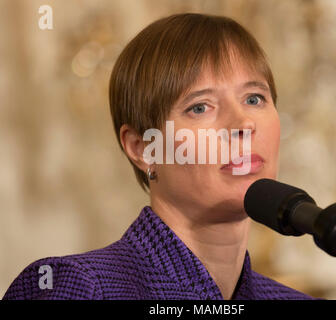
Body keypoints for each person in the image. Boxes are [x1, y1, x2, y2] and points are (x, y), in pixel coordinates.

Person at [3, 13, 316, 300]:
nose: (243, 124)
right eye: (200, 107)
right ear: (142, 148)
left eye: (254, 98)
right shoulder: (75, 288)